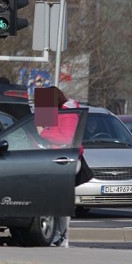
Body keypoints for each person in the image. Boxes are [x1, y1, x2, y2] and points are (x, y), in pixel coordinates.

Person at [36, 86, 80, 247]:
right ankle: (57, 234)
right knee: (53, 198)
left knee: (60, 198)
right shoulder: (53, 111)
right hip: (52, 158)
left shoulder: (68, 114)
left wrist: (43, 133)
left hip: (65, 159)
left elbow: (67, 138)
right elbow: (40, 132)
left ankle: (62, 236)